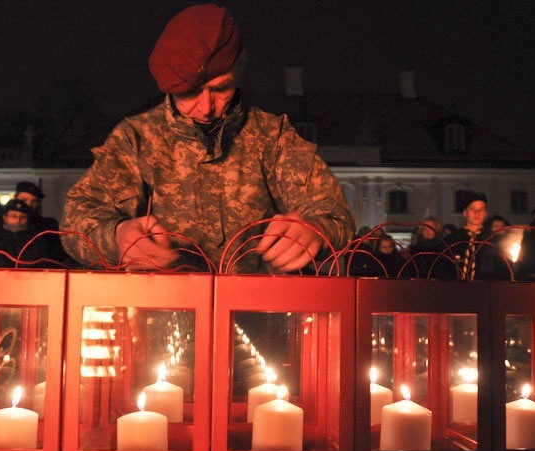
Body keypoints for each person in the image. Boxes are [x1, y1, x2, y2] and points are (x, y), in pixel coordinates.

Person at [60, 4, 354, 273]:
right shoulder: (135, 138)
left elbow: (336, 215)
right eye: (189, 93)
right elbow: (76, 219)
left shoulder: (272, 137)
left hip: (259, 312)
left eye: (220, 89)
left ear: (237, 76)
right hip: (164, 314)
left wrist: (316, 229)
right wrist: (117, 236)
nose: (206, 107)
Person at [444, 191, 509, 280]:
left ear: (485, 214)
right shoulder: (452, 239)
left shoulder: (494, 240)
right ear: (465, 213)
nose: (477, 213)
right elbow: (444, 269)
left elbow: (503, 270)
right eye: (472, 209)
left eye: (481, 209)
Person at [0, 199, 58, 268]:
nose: (18, 220)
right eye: (13, 216)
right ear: (5, 217)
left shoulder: (36, 238)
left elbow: (44, 263)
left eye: (23, 217)